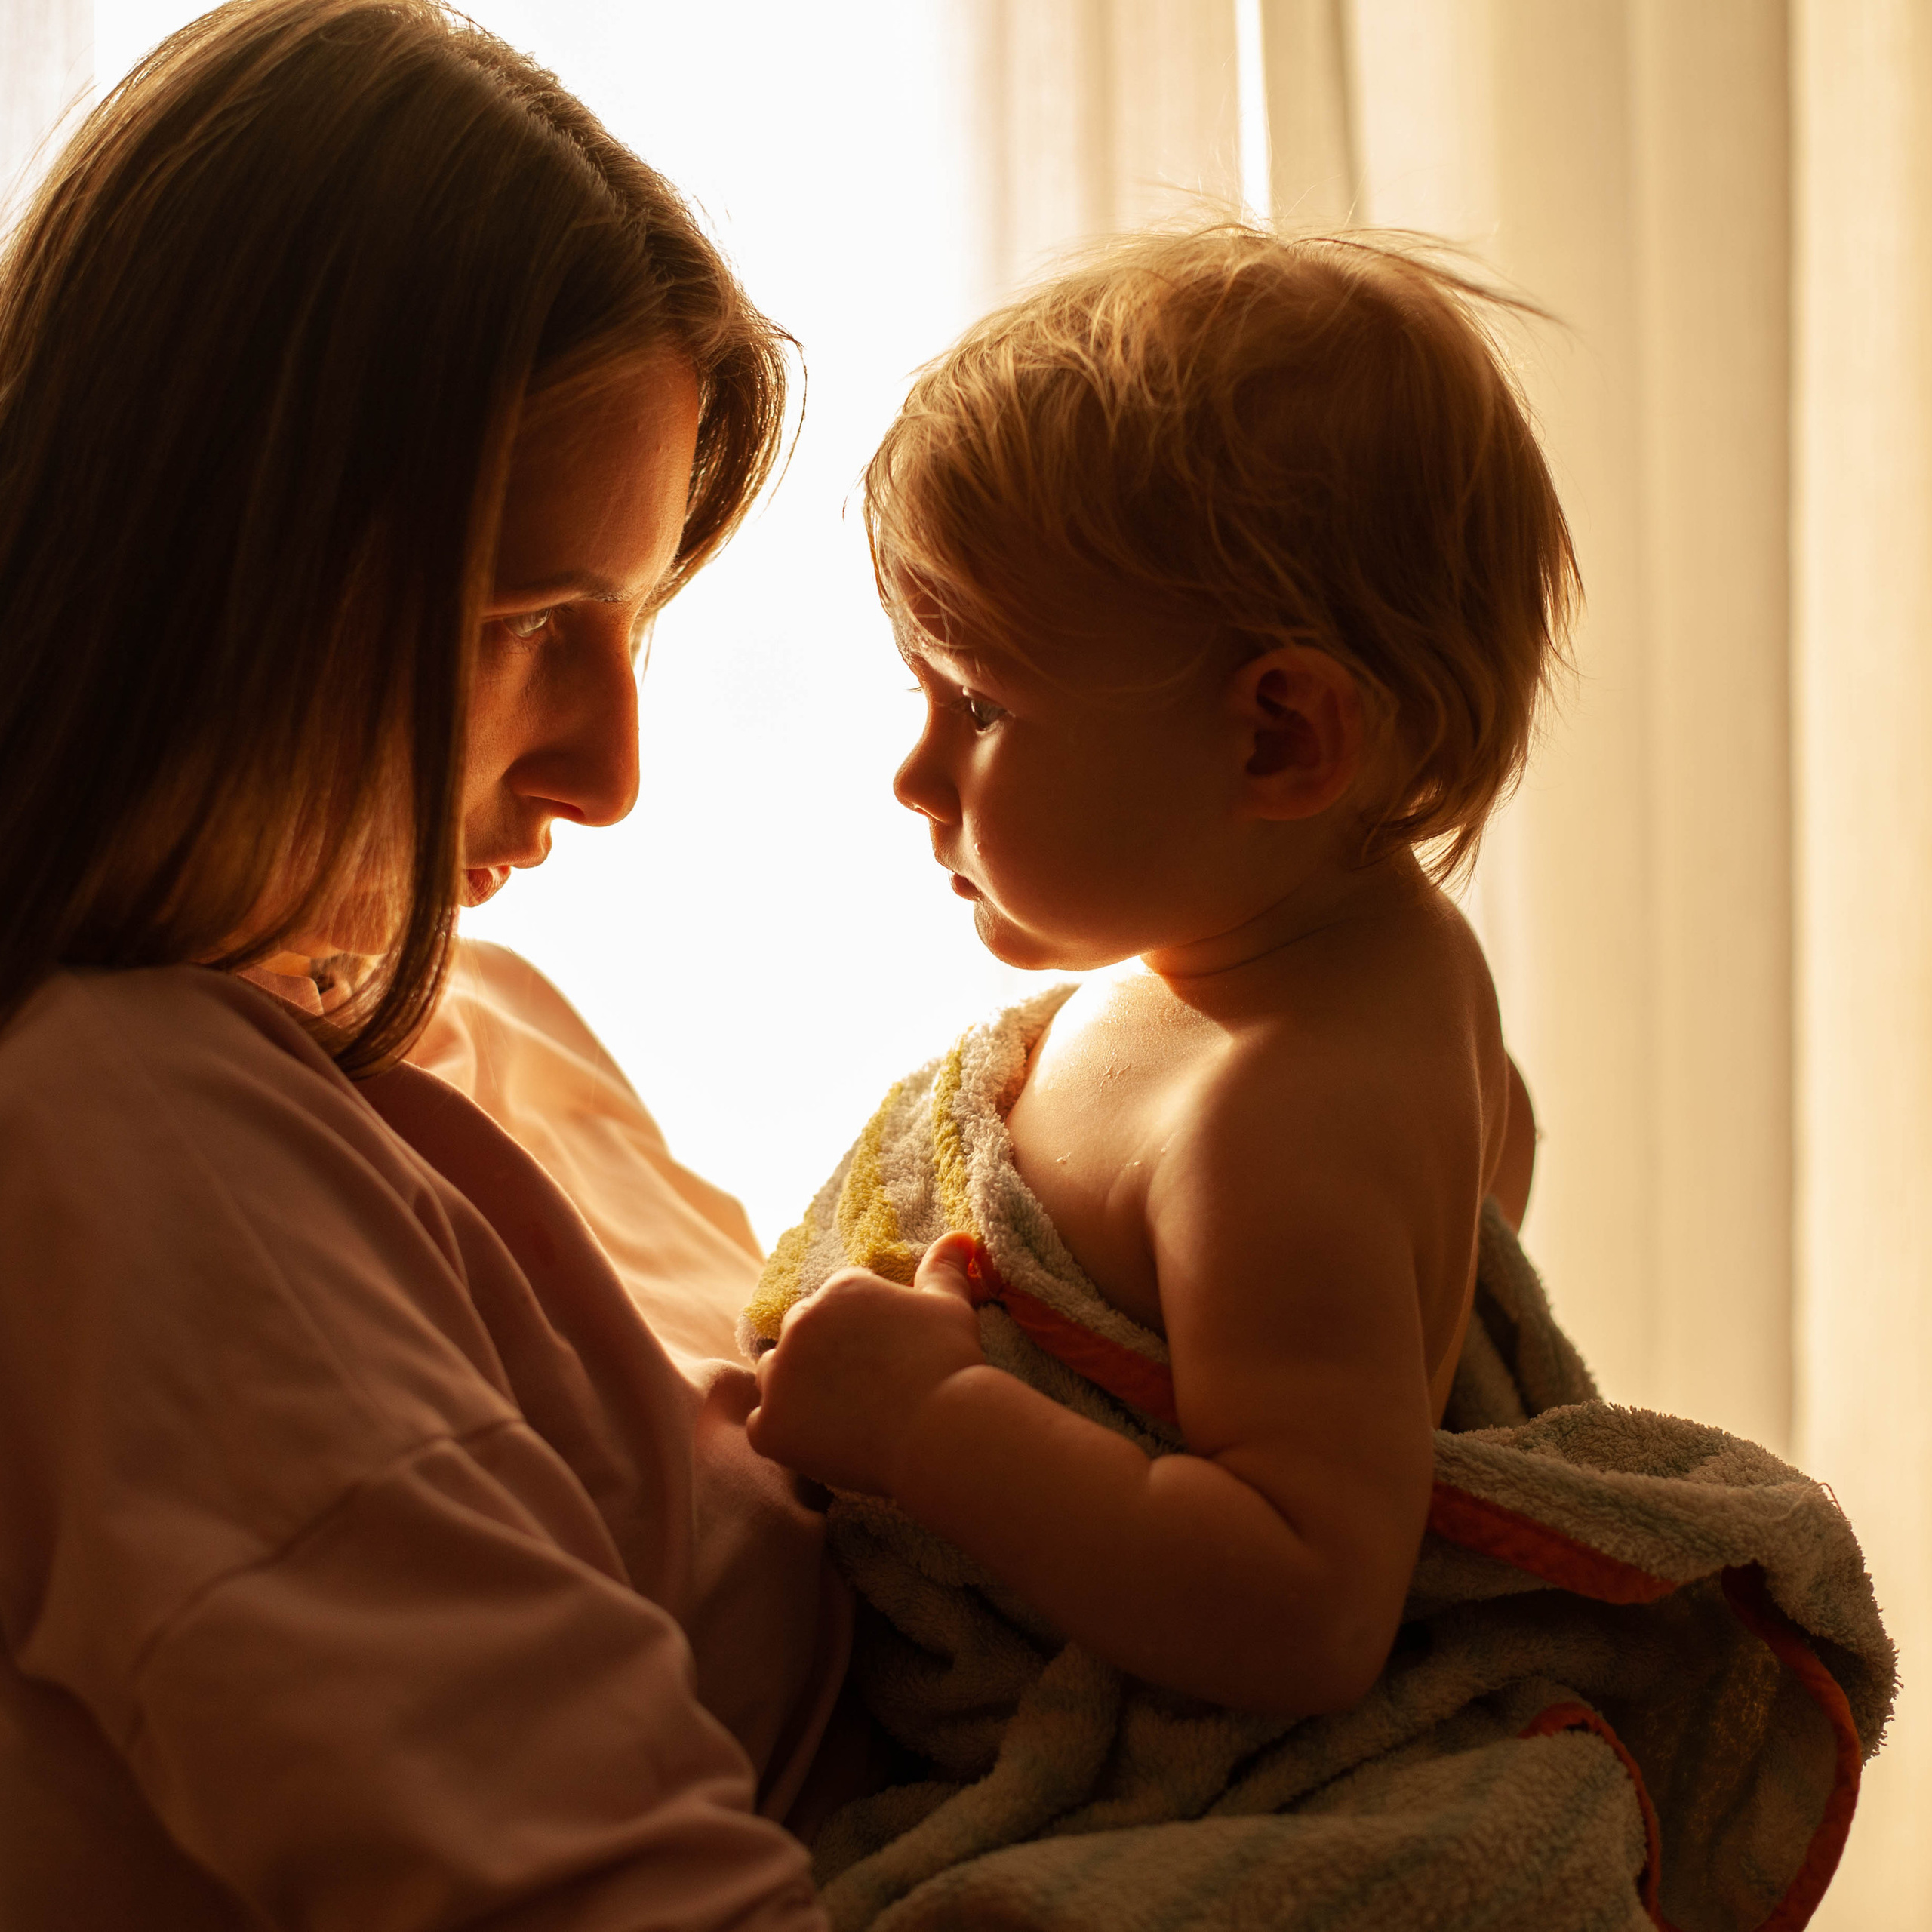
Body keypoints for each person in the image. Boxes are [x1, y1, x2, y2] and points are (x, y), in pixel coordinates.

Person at [0, 2, 847, 1926]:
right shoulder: (124, 1132)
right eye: (524, 620)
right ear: (213, 566)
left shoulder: (468, 1018)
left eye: (633, 622)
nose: (609, 774)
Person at [747, 228, 1568, 1718]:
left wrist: (934, 1418)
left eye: (979, 705)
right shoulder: (1388, 963)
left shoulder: (1273, 1121)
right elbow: (1487, 1167)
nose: (914, 776)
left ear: (1278, 739)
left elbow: (1303, 1606)